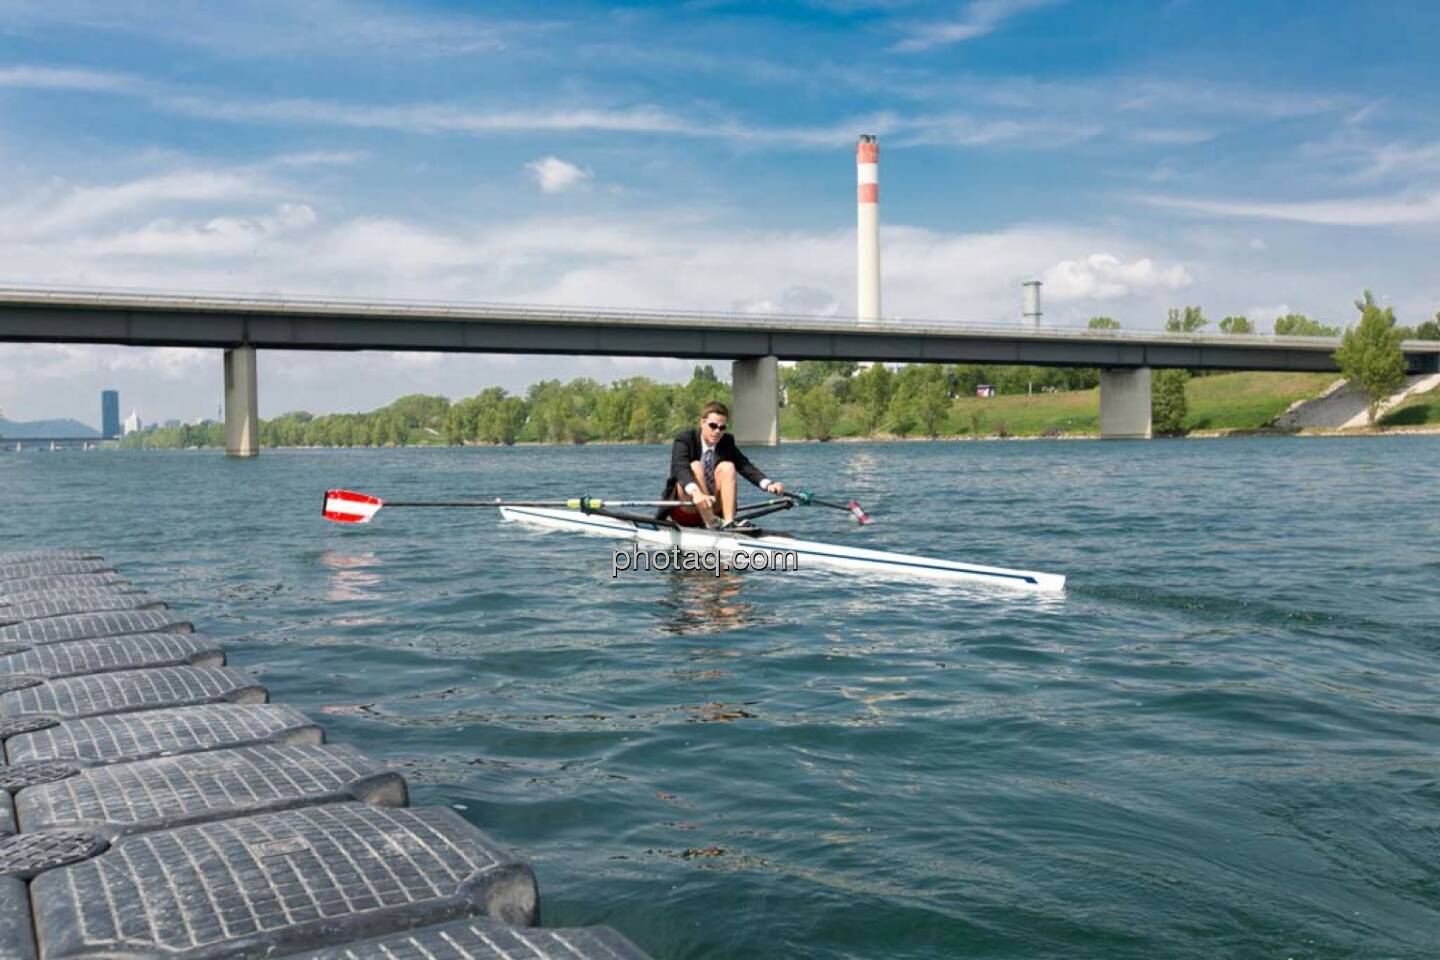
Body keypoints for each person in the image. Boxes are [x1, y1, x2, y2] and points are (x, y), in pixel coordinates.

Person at [659, 401, 785, 528]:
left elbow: (744, 466)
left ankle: (729, 523)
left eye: (722, 428)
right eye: (713, 426)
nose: (717, 431)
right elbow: (680, 468)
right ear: (702, 423)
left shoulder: (727, 441)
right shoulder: (685, 439)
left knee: (728, 466)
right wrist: (696, 493)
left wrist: (768, 484)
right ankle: (710, 522)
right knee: (695, 466)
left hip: (715, 508)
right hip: (687, 508)